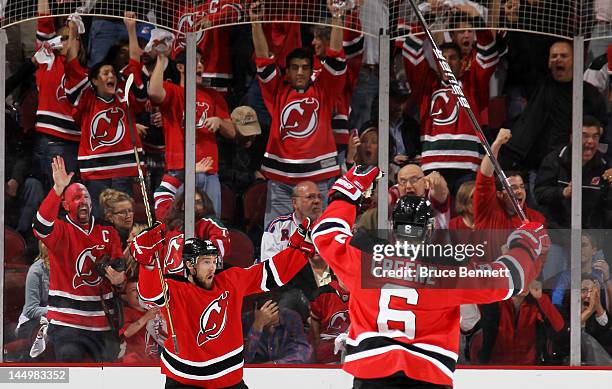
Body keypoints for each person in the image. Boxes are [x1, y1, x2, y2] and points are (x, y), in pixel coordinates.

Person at [311, 165, 550, 388]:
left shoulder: (363, 260)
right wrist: (526, 244)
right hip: (428, 375)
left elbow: (325, 234)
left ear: (394, 226)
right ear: (429, 228)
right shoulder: (446, 270)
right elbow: (509, 278)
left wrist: (347, 190)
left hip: (371, 372)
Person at [132, 219, 315, 388]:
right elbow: (150, 295)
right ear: (189, 265)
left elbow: (271, 274)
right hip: (183, 380)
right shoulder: (175, 290)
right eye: (205, 262)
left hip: (228, 379)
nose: (212, 267)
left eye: (214, 261)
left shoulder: (231, 280)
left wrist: (297, 251)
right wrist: (148, 264)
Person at [250, 1, 347, 227]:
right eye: (295, 67)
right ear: (288, 70)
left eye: (305, 67)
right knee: (277, 234)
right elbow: (263, 59)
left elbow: (335, 57)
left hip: (318, 177)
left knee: (319, 234)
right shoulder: (278, 90)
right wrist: (255, 21)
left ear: (312, 70)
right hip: (281, 179)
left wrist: (337, 18)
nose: (300, 72)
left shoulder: (324, 89)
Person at [32, 156, 127, 362]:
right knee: (71, 370)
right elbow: (40, 226)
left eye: (86, 198)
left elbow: (120, 269)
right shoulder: (60, 230)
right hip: (67, 323)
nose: (82, 201)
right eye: (76, 198)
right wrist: (57, 189)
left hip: (103, 321)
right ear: (65, 205)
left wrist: (120, 279)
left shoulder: (108, 231)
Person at [402, 13, 499, 194]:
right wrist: (428, 18)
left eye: (453, 57)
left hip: (468, 164)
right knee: (437, 219)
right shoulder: (427, 84)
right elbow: (410, 52)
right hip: (434, 163)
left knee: (466, 217)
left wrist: (477, 19)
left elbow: (489, 54)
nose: (447, 61)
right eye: (442, 58)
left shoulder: (473, 83)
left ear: (462, 62)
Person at [64, 12, 148, 219]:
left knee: (124, 221)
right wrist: (74, 31)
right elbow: (73, 65)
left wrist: (131, 29)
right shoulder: (86, 99)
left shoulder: (124, 95)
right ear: (93, 81)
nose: (111, 76)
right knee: (100, 223)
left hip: (123, 170)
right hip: (95, 172)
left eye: (112, 72)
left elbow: (135, 63)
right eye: (105, 73)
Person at [148, 45, 236, 217]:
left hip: (210, 172)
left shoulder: (214, 96)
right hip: (180, 171)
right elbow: (154, 92)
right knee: (179, 223)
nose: (201, 66)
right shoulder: (173, 92)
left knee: (211, 225)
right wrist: (160, 59)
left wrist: (220, 122)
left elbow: (232, 132)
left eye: (202, 62)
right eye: (196, 61)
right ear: (181, 67)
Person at [260, 181, 323, 261]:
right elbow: (268, 264)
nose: (317, 201)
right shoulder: (277, 227)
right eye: (310, 197)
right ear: (295, 203)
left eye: (319, 197)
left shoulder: (331, 225)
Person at [242, 297, 313, 364]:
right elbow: (244, 359)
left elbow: (302, 352)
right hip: (253, 372)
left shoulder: (290, 318)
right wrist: (257, 326)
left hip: (285, 370)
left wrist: (274, 364)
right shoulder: (246, 320)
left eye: (273, 311)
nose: (271, 327)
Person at [309, 278, 350, 364]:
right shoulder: (321, 294)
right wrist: (316, 342)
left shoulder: (365, 293)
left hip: (354, 343)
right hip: (328, 345)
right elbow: (314, 321)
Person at [15, 241, 50, 340]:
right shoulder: (36, 270)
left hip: (57, 318)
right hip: (30, 323)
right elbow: (30, 310)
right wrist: (57, 311)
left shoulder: (67, 269)